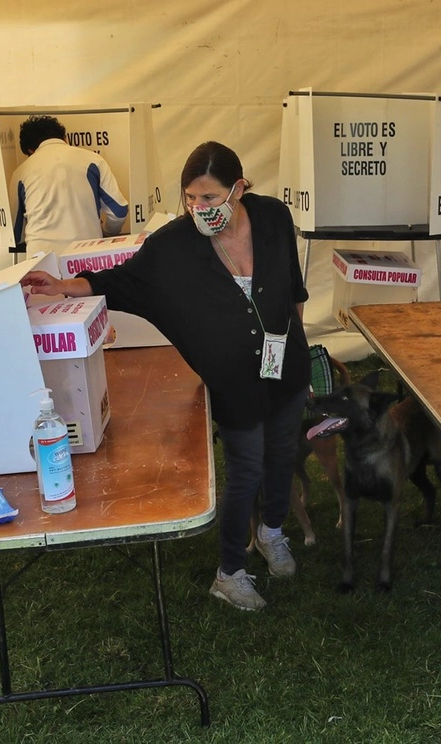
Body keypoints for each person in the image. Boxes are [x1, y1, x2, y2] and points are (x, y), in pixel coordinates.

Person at [21, 141, 310, 611]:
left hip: (287, 366)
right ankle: (230, 571)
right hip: (234, 382)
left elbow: (294, 289)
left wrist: (301, 348)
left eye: (211, 198)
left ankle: (272, 531)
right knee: (246, 469)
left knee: (282, 455)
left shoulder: (274, 218)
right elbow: (120, 280)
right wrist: (63, 286)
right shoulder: (173, 246)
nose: (199, 208)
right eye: (190, 198)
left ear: (239, 189)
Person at [8, 115, 129, 253]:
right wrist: (106, 232)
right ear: (64, 137)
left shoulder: (21, 172)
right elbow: (119, 212)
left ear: (30, 150)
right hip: (86, 255)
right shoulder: (93, 160)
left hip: (41, 260)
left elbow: (15, 234)